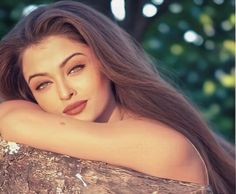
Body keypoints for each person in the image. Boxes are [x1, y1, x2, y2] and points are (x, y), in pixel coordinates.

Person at [0, 1, 234, 193]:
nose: (64, 92)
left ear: (106, 62)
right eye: (43, 84)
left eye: (75, 68)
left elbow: (10, 117)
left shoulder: (163, 145)